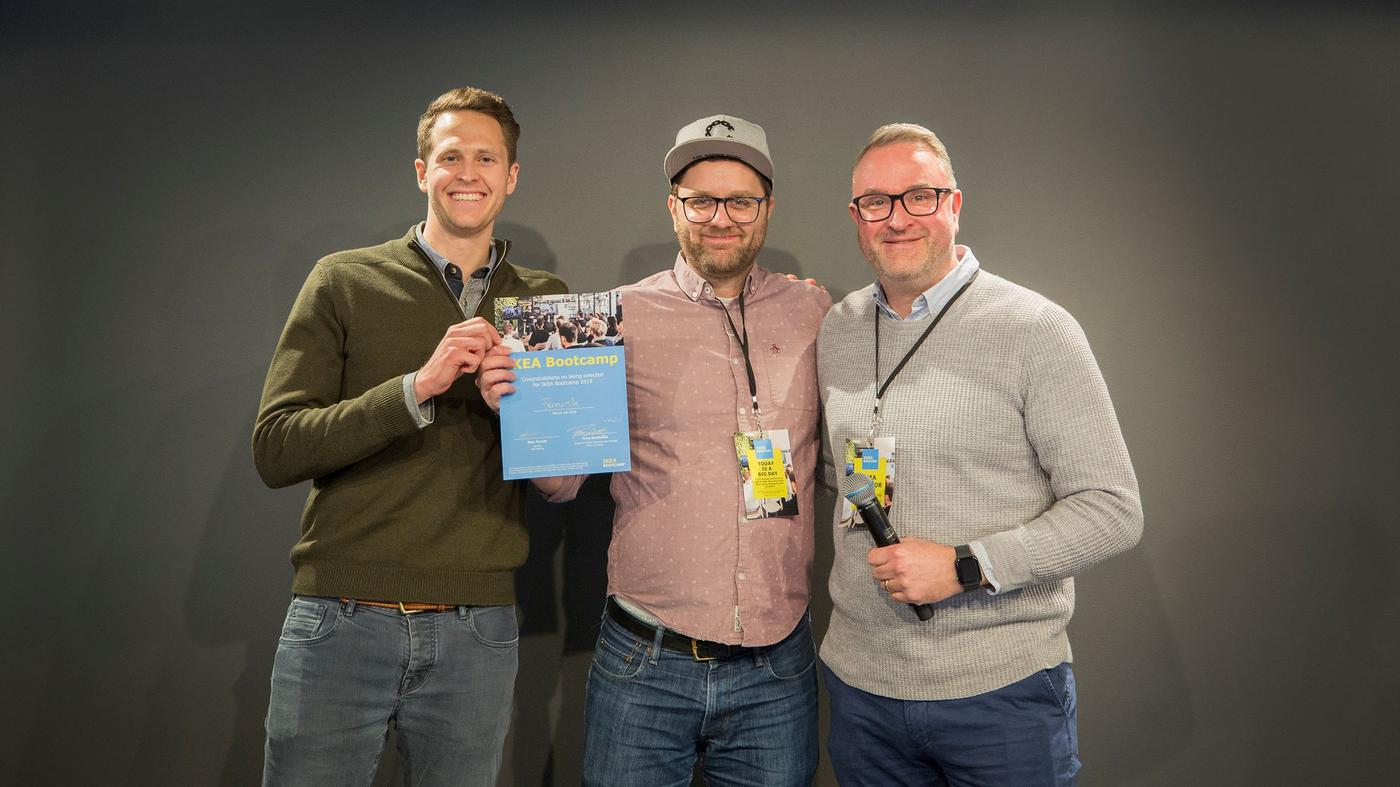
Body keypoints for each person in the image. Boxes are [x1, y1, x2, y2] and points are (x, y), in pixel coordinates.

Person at [478, 114, 830, 786]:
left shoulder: (814, 312)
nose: (720, 218)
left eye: (740, 201)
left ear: (768, 208)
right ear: (674, 208)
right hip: (645, 664)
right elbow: (559, 485)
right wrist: (516, 409)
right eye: (700, 201)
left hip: (777, 668)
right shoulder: (606, 319)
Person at [251, 86, 566, 787]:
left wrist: (515, 413)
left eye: (486, 158)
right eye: (450, 156)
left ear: (512, 176)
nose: (468, 173)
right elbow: (276, 448)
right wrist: (415, 389)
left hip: (478, 628)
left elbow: (564, 480)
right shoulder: (344, 280)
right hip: (340, 616)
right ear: (422, 171)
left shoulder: (546, 303)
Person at [816, 122, 1143, 786]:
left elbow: (1113, 510)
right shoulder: (837, 327)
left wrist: (967, 566)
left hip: (1000, 696)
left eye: (918, 196)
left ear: (954, 204)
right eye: (876, 202)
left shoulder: (1035, 329)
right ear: (856, 217)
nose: (896, 218)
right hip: (862, 693)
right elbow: (839, 471)